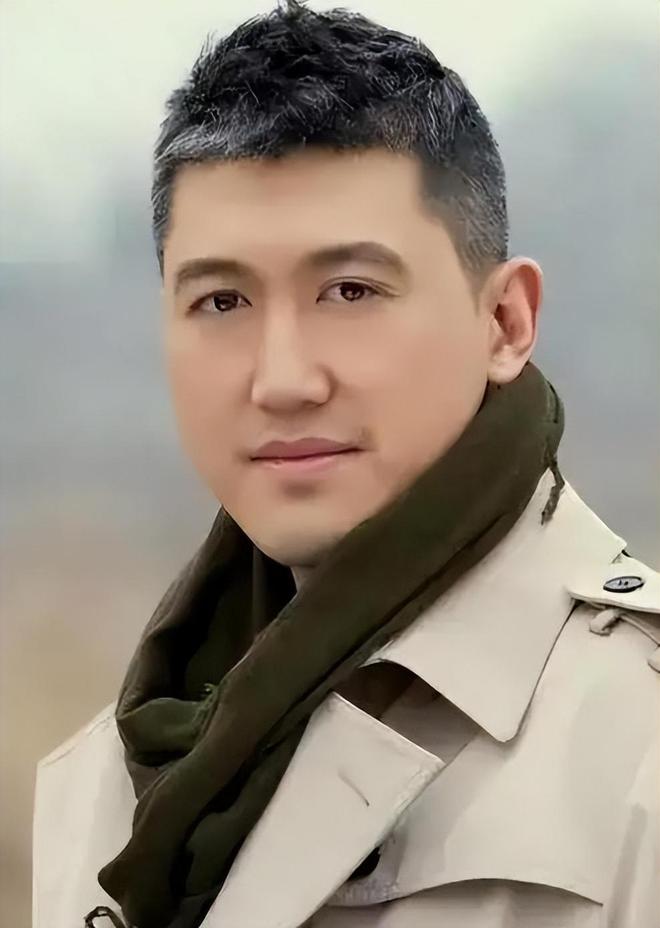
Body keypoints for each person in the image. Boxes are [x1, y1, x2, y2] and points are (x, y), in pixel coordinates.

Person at [33, 2, 659, 926]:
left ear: (505, 323)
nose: (283, 379)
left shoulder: (635, 749)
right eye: (222, 301)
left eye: (351, 291)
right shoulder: (126, 762)